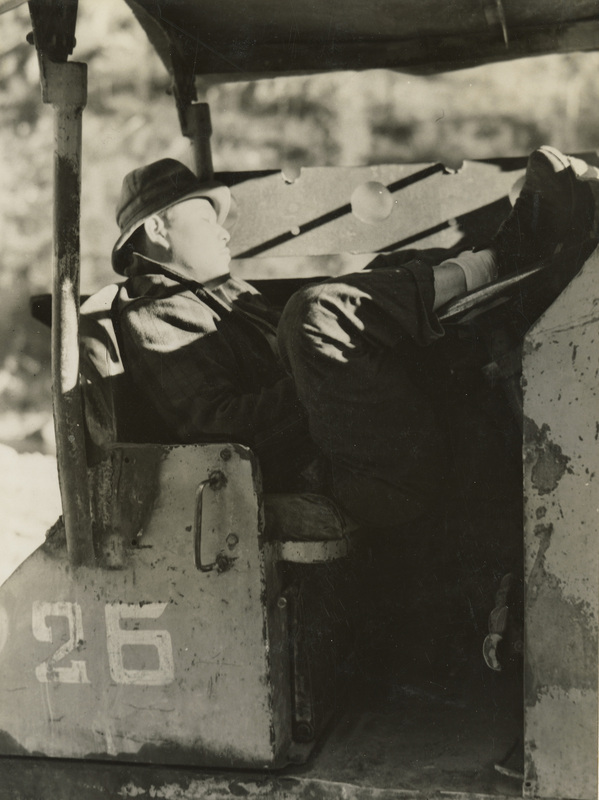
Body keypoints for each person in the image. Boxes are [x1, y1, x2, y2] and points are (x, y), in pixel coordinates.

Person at [110, 147, 595, 528]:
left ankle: (535, 270)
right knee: (316, 313)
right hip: (331, 470)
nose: (223, 233)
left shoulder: (215, 293)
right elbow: (224, 434)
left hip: (350, 438)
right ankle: (506, 256)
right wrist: (330, 373)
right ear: (157, 228)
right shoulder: (153, 311)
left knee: (376, 276)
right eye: (205, 218)